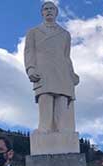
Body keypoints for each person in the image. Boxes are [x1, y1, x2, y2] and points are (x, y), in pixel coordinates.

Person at [24, 1, 80, 133]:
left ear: (56, 12)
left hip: (62, 71)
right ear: (42, 13)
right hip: (43, 70)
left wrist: (72, 73)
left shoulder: (65, 34)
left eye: (51, 9)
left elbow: (66, 56)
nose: (48, 11)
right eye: (45, 9)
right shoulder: (33, 32)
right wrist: (31, 68)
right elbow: (29, 52)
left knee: (62, 98)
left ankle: (62, 129)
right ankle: (44, 128)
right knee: (45, 96)